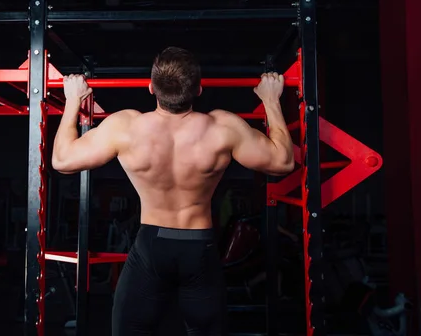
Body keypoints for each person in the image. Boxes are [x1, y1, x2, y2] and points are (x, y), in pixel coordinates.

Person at [52, 47, 294, 336]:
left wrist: (71, 101)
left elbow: (62, 161)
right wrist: (270, 100)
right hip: (200, 249)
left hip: (152, 247)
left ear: (151, 87)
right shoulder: (223, 127)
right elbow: (283, 162)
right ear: (199, 89)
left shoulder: (126, 127)